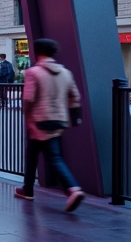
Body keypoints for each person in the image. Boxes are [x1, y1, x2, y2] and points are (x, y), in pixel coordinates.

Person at [16, 38, 86, 212]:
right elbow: (74, 97)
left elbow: (29, 99)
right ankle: (28, 189)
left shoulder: (33, 73)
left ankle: (72, 189)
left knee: (50, 157)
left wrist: (28, 118)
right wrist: (74, 117)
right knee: (37, 155)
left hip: (39, 121)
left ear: (38, 52)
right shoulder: (65, 73)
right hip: (59, 121)